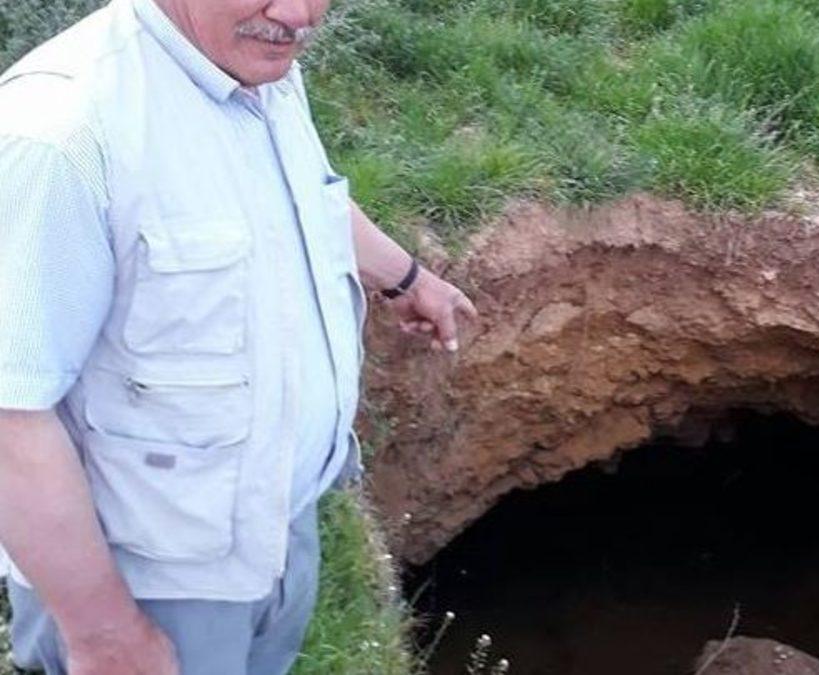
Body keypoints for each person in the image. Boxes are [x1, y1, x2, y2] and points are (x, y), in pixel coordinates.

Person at [0, 0, 478, 673]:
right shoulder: (61, 135)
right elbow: (10, 414)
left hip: (275, 530)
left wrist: (403, 276)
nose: (299, 15)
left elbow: (299, 194)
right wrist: (105, 634)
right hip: (153, 589)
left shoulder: (257, 64)